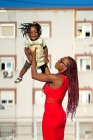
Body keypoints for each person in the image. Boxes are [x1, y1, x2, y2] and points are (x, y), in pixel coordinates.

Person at [30, 49, 79, 140]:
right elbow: (47, 75)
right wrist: (41, 59)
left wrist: (33, 57)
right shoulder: (64, 78)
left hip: (51, 116)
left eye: (61, 61)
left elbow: (34, 75)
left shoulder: (57, 78)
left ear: (65, 68)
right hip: (59, 116)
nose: (58, 60)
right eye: (60, 59)